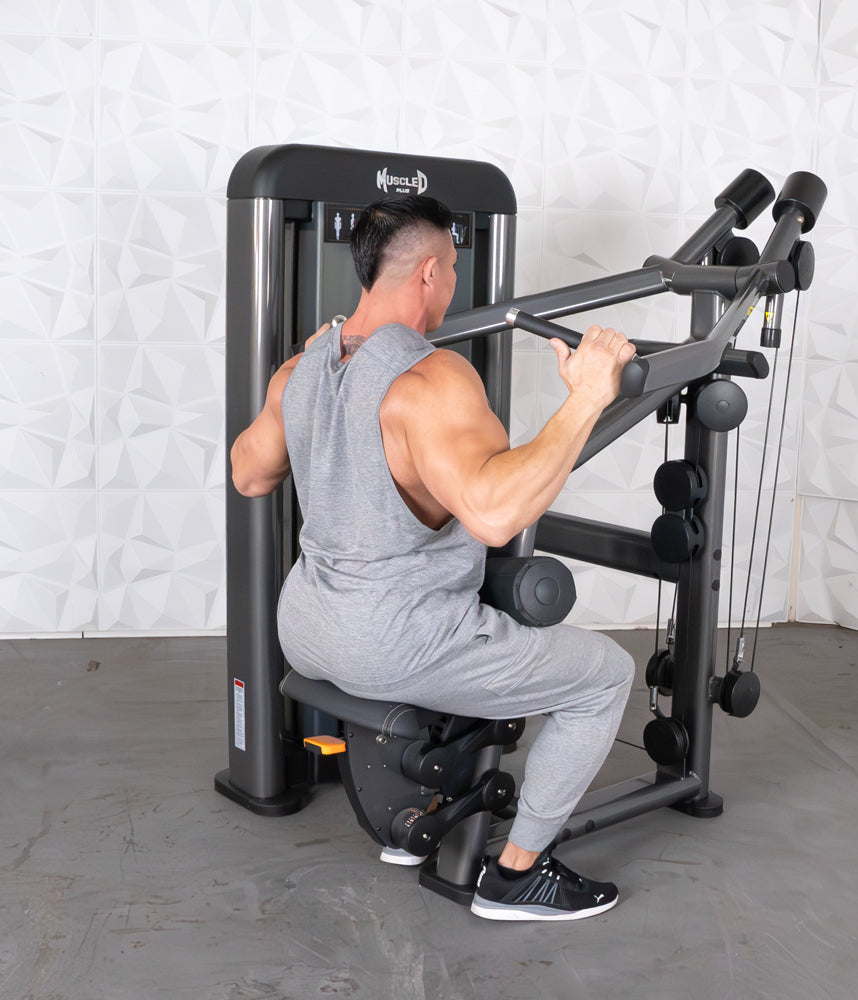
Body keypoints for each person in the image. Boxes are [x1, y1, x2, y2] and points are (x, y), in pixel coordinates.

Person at [230, 194, 637, 922]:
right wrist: (586, 398)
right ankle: (518, 877)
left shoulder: (303, 369)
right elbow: (495, 514)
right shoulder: (433, 380)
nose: (453, 282)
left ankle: (417, 823)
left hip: (307, 627)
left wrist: (317, 419)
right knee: (604, 676)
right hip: (393, 642)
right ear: (428, 272)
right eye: (451, 267)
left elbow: (248, 474)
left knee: (466, 627)